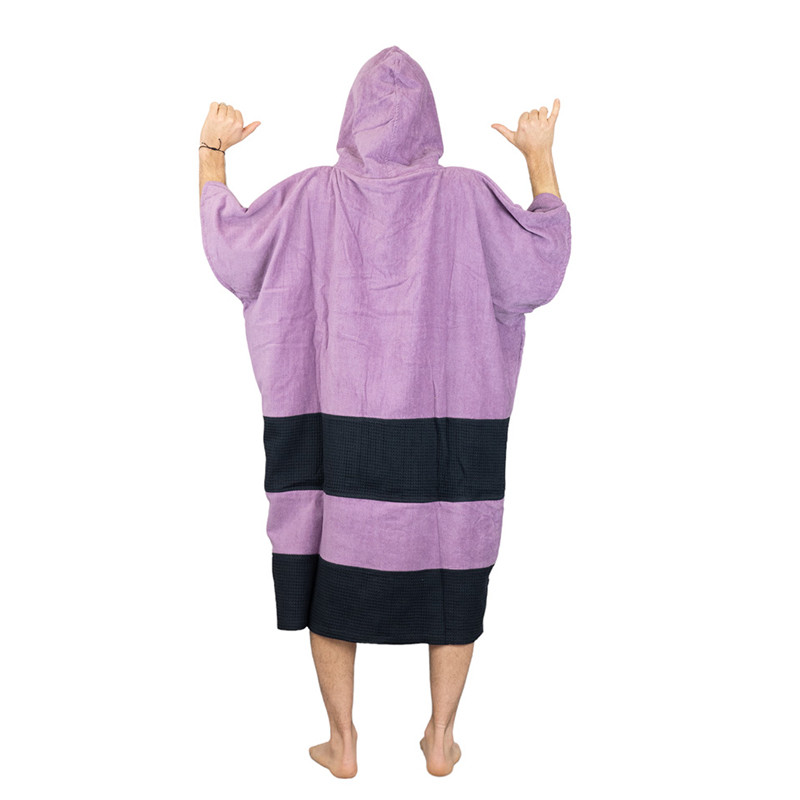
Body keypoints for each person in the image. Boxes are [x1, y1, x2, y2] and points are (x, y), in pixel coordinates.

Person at [198, 45, 571, 779]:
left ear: (350, 117)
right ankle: (441, 738)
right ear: (431, 121)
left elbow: (231, 252)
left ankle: (342, 743)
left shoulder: (308, 196)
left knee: (329, 564)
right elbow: (542, 264)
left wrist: (212, 153)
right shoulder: (468, 196)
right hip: (449, 437)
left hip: (335, 435)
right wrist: (539, 159)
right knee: (454, 559)